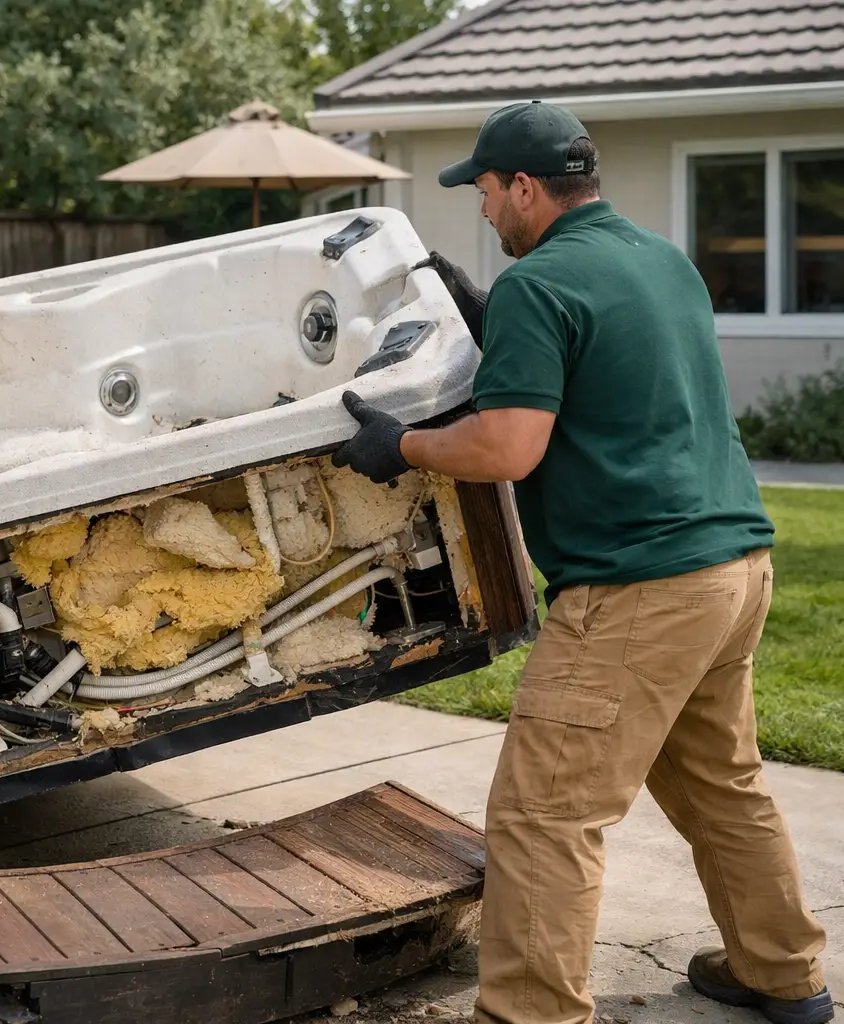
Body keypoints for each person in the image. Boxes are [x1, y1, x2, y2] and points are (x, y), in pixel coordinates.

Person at [334, 100, 832, 1024]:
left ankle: (529, 1014)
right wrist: (493, 320)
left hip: (639, 588)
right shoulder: (660, 260)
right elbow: (613, 375)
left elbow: (508, 447)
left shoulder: (541, 284)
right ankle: (782, 974)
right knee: (722, 785)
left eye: (485, 192)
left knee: (546, 815)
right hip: (733, 567)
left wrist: (399, 447)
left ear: (524, 187)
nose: (483, 212)